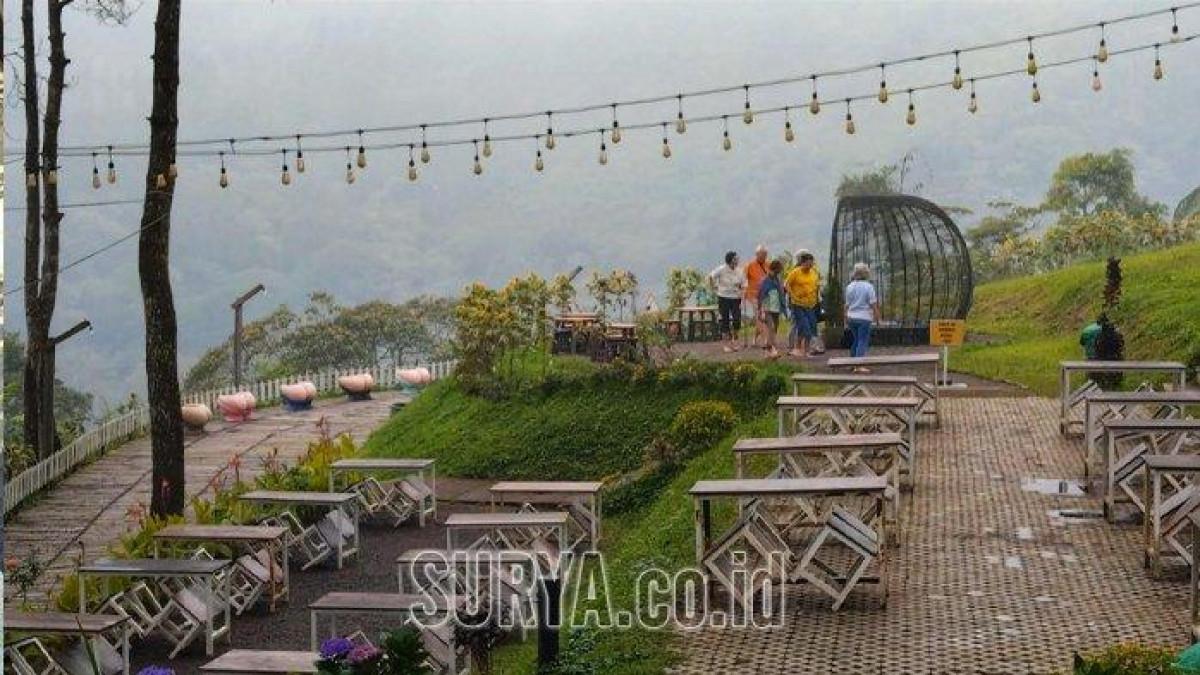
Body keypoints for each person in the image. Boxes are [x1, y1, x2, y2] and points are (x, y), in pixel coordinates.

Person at [784, 250, 821, 358]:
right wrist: (792, 295)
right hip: (798, 305)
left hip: (811, 304)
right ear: (803, 262)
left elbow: (817, 285)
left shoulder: (813, 272)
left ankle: (800, 349)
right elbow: (786, 284)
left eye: (812, 263)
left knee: (810, 325)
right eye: (808, 263)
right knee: (806, 328)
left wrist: (817, 297)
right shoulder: (795, 272)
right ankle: (804, 350)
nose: (810, 265)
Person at [844, 261, 881, 369]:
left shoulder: (849, 286)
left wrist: (845, 318)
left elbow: (846, 305)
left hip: (851, 317)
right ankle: (858, 365)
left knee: (855, 340)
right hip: (864, 318)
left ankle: (851, 363)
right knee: (862, 341)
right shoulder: (868, 287)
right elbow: (873, 304)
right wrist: (878, 318)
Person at [709, 251, 746, 353]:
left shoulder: (740, 271)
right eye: (735, 259)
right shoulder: (722, 269)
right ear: (730, 260)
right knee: (724, 320)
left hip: (736, 297)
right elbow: (711, 276)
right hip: (723, 297)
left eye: (737, 259)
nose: (737, 261)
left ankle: (734, 341)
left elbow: (744, 284)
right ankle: (726, 344)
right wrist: (714, 288)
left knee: (737, 319)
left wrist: (743, 293)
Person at [757, 259, 787, 359]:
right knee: (771, 327)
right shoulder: (766, 280)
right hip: (768, 308)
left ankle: (767, 351)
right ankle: (773, 349)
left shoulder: (777, 280)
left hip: (776, 308)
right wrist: (760, 308)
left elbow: (781, 294)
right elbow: (761, 295)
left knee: (775, 329)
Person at [744, 245, 771, 347]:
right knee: (760, 318)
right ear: (757, 254)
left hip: (765, 296)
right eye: (762, 254)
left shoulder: (768, 265)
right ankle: (765, 340)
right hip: (752, 296)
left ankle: (754, 339)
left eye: (765, 254)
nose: (764, 256)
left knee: (762, 318)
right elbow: (743, 279)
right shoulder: (750, 265)